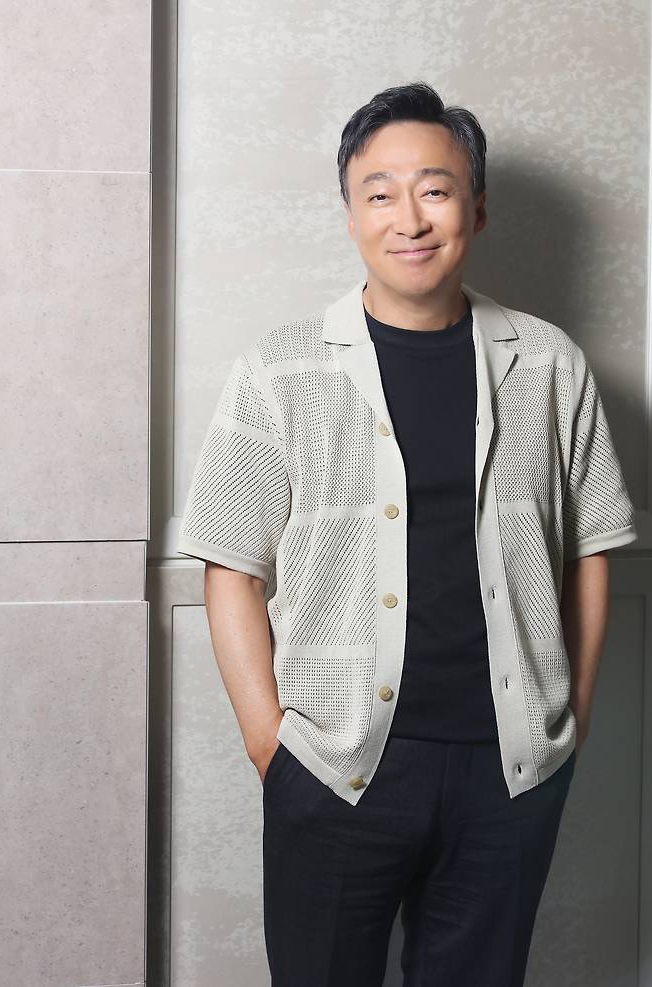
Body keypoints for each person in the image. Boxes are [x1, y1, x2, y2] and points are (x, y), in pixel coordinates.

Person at [177, 81, 638, 987]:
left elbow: (591, 546)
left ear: (476, 207)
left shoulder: (550, 363)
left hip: (510, 770)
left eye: (435, 189)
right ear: (351, 214)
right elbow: (230, 565)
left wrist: (571, 719)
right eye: (380, 193)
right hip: (335, 764)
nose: (410, 218)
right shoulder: (280, 368)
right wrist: (271, 745)